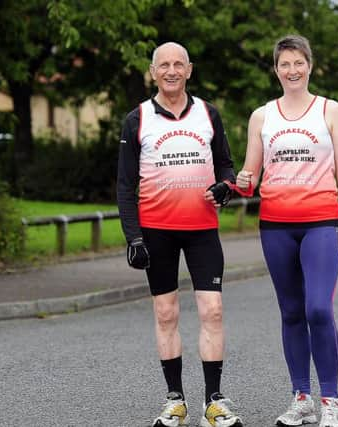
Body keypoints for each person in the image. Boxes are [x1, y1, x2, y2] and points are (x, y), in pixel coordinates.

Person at [117, 41, 243, 427]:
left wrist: (226, 186)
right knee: (166, 313)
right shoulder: (136, 119)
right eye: (163, 65)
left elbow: (226, 165)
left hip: (202, 229)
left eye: (178, 64)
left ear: (189, 69)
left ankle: (214, 402)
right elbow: (125, 186)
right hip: (157, 232)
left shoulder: (209, 113)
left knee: (213, 310)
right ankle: (175, 402)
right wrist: (133, 237)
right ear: (153, 72)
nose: (171, 71)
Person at [236, 35, 338, 427]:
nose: (292, 71)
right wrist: (233, 182)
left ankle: (331, 401)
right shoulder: (262, 116)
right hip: (275, 225)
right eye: (284, 64)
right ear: (276, 70)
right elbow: (250, 177)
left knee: (318, 308)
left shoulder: (330, 110)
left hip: (321, 221)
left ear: (310, 65)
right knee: (290, 312)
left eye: (298, 63)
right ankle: (301, 398)